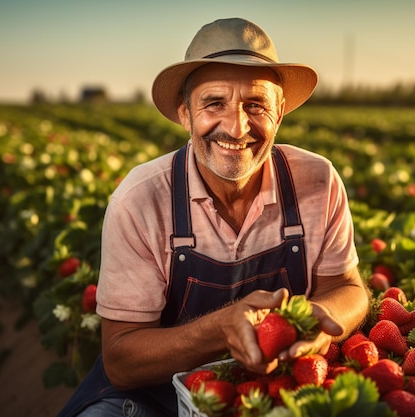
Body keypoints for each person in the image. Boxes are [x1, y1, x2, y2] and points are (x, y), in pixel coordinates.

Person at [57, 17, 371, 417]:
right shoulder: (141, 200)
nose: (237, 127)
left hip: (274, 386)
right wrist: (220, 328)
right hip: (154, 399)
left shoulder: (317, 181)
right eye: (214, 103)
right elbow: (120, 360)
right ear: (185, 114)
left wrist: (318, 321)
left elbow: (349, 288)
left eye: (256, 105)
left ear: (279, 114)